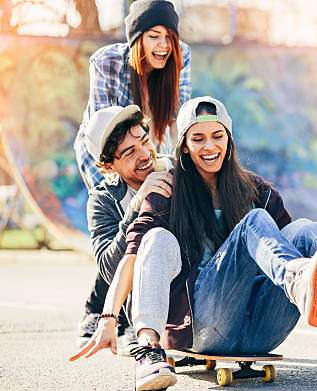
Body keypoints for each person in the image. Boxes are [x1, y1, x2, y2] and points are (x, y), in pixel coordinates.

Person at [69, 97, 317, 391]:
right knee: (231, 227)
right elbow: (125, 257)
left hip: (263, 326)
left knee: (312, 229)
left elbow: (308, 245)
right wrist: (109, 317)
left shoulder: (252, 187)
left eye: (217, 136)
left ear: (229, 140)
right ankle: (149, 352)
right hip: (202, 321)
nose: (209, 146)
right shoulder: (162, 189)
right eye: (197, 140)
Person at [74, 0, 191, 350]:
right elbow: (102, 129)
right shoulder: (108, 61)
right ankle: (101, 311)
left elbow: (175, 118)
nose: (164, 46)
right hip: (107, 151)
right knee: (121, 222)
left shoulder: (180, 55)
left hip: (143, 142)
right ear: (137, 39)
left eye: (169, 37)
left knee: (150, 219)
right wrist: (126, 169)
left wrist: (178, 164)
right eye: (154, 37)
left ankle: (130, 310)